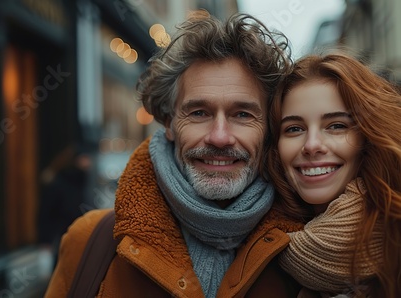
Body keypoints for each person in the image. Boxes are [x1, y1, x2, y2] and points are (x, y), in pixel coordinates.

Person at [45, 10, 300, 297]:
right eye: (199, 112)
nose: (219, 137)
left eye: (242, 114)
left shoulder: (309, 253)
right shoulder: (90, 242)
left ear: (268, 127)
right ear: (169, 122)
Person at [266, 52, 401, 297]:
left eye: (336, 126)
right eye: (294, 129)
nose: (312, 145)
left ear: (367, 137)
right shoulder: (257, 255)